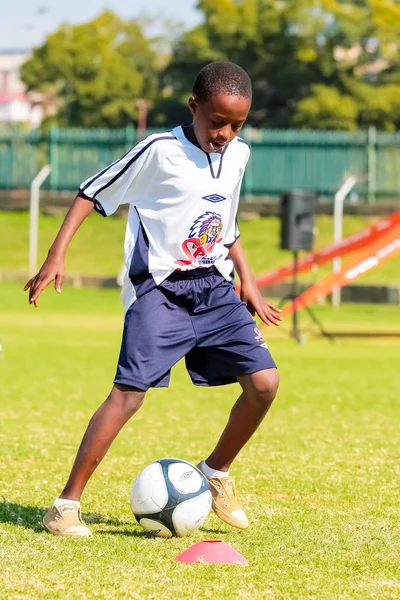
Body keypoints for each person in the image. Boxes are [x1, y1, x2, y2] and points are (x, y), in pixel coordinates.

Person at [25, 61, 282, 537]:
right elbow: (90, 193)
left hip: (215, 287)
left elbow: (226, 223)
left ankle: (215, 472)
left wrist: (249, 280)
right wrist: (56, 254)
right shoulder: (159, 150)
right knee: (128, 396)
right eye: (216, 121)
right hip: (161, 291)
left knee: (265, 383)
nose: (224, 133)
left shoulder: (239, 154)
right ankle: (65, 506)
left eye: (236, 124)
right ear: (194, 106)